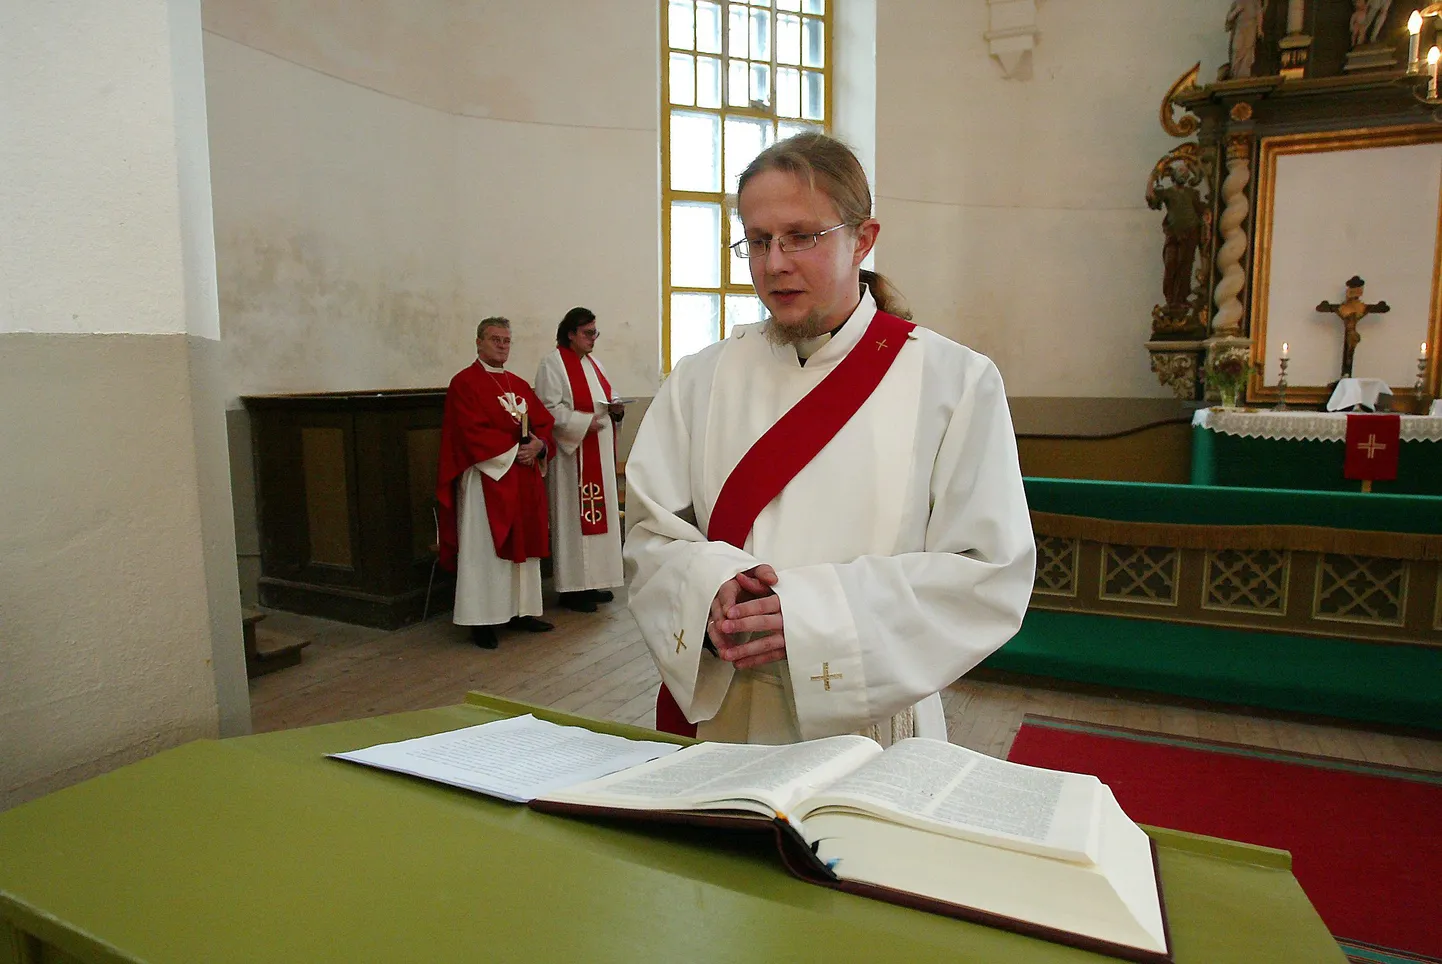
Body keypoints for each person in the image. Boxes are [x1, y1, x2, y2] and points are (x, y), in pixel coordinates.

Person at [623, 133, 1036, 746]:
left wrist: (812, 619)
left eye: (801, 237)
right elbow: (651, 533)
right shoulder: (701, 378)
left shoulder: (955, 382)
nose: (775, 262)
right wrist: (708, 585)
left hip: (866, 724)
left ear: (862, 239)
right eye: (758, 241)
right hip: (722, 714)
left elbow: (990, 573)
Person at [437, 316, 557, 649]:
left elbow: (544, 424)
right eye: (495, 339)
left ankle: (522, 612)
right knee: (484, 551)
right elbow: (468, 433)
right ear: (478, 342)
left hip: (523, 479)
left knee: (525, 549)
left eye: (506, 340)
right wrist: (514, 451)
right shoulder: (464, 383)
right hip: (487, 480)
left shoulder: (518, 384)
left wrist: (540, 446)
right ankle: (481, 620)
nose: (502, 345)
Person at [535, 307, 626, 613]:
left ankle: (594, 581)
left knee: (600, 522)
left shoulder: (594, 364)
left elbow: (609, 396)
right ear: (570, 333)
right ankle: (573, 588)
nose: (593, 339)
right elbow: (548, 409)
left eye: (595, 333)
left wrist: (616, 410)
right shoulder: (553, 363)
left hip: (596, 452)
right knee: (574, 521)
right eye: (588, 333)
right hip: (572, 459)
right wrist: (582, 422)